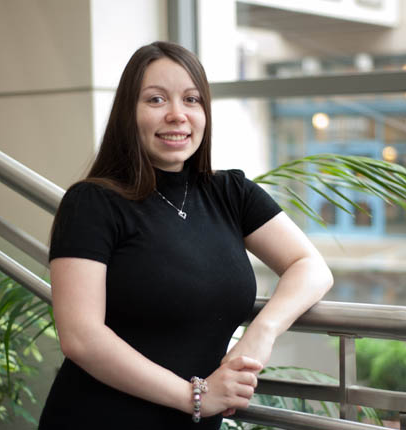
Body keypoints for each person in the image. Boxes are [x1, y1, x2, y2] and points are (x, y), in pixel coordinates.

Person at [38, 41, 333, 429]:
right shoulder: (92, 203)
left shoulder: (230, 192)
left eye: (191, 100)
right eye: (156, 99)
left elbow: (311, 267)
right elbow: (80, 336)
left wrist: (261, 332)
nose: (177, 115)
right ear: (129, 113)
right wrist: (195, 395)